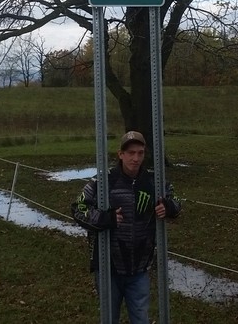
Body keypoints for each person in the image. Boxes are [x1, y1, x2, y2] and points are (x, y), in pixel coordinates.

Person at [71, 130, 182, 324]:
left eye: (140, 153)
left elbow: (177, 201)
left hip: (139, 270)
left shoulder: (153, 181)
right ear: (120, 154)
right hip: (108, 269)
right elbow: (78, 209)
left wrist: (169, 207)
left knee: (140, 318)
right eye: (131, 153)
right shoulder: (103, 181)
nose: (135, 158)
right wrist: (106, 218)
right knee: (109, 319)